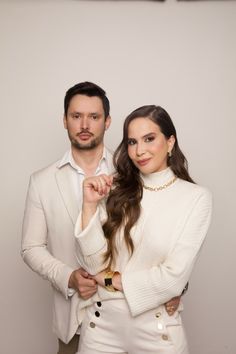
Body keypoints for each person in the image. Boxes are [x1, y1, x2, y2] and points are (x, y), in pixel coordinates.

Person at [21, 84, 180, 354]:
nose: (85, 124)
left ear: (107, 122)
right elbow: (31, 247)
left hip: (135, 319)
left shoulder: (135, 174)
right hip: (75, 321)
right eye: (76, 116)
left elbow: (169, 233)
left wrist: (177, 284)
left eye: (94, 117)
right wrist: (69, 277)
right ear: (64, 120)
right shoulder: (41, 181)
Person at [74, 105, 212, 354]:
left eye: (149, 139)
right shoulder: (114, 189)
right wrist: (89, 206)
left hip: (156, 327)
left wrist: (110, 279)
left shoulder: (195, 198)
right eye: (132, 141)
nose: (139, 151)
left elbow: (172, 279)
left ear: (170, 142)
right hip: (101, 326)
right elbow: (93, 264)